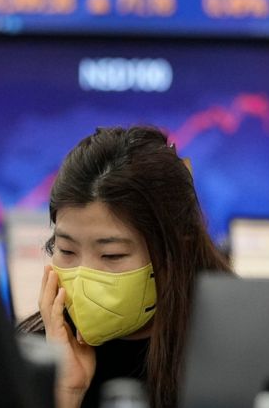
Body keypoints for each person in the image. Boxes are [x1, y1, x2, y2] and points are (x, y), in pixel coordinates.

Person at [18, 126, 233, 408]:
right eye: (67, 250)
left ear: (173, 251)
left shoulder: (236, 348)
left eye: (111, 255)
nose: (83, 275)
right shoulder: (29, 354)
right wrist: (63, 394)